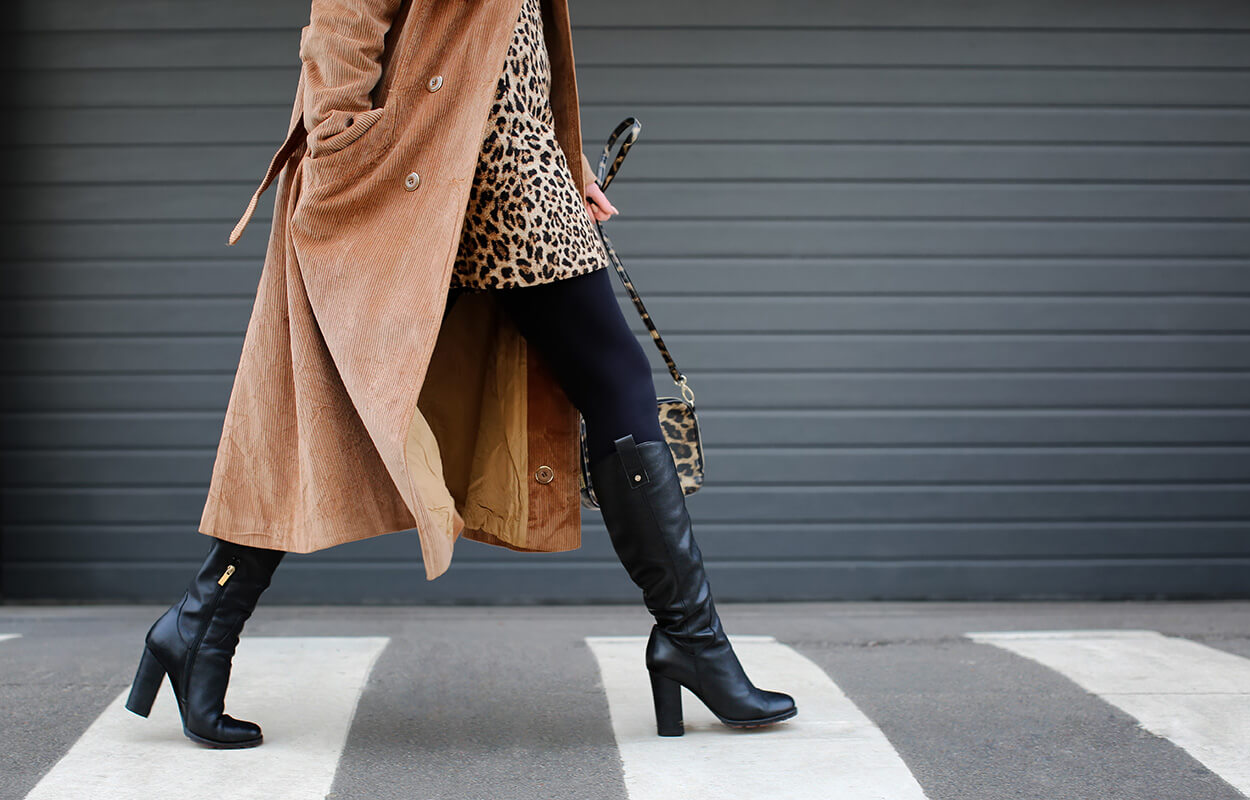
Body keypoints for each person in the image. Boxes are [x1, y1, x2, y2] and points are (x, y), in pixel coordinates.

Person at [124, 0, 796, 748]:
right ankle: (690, 641)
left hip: (504, 154)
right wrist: (346, 150)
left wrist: (564, 157)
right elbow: (346, 18)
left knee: (351, 392)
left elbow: (512, 38)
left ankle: (197, 626)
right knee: (603, 381)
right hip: (442, 156)